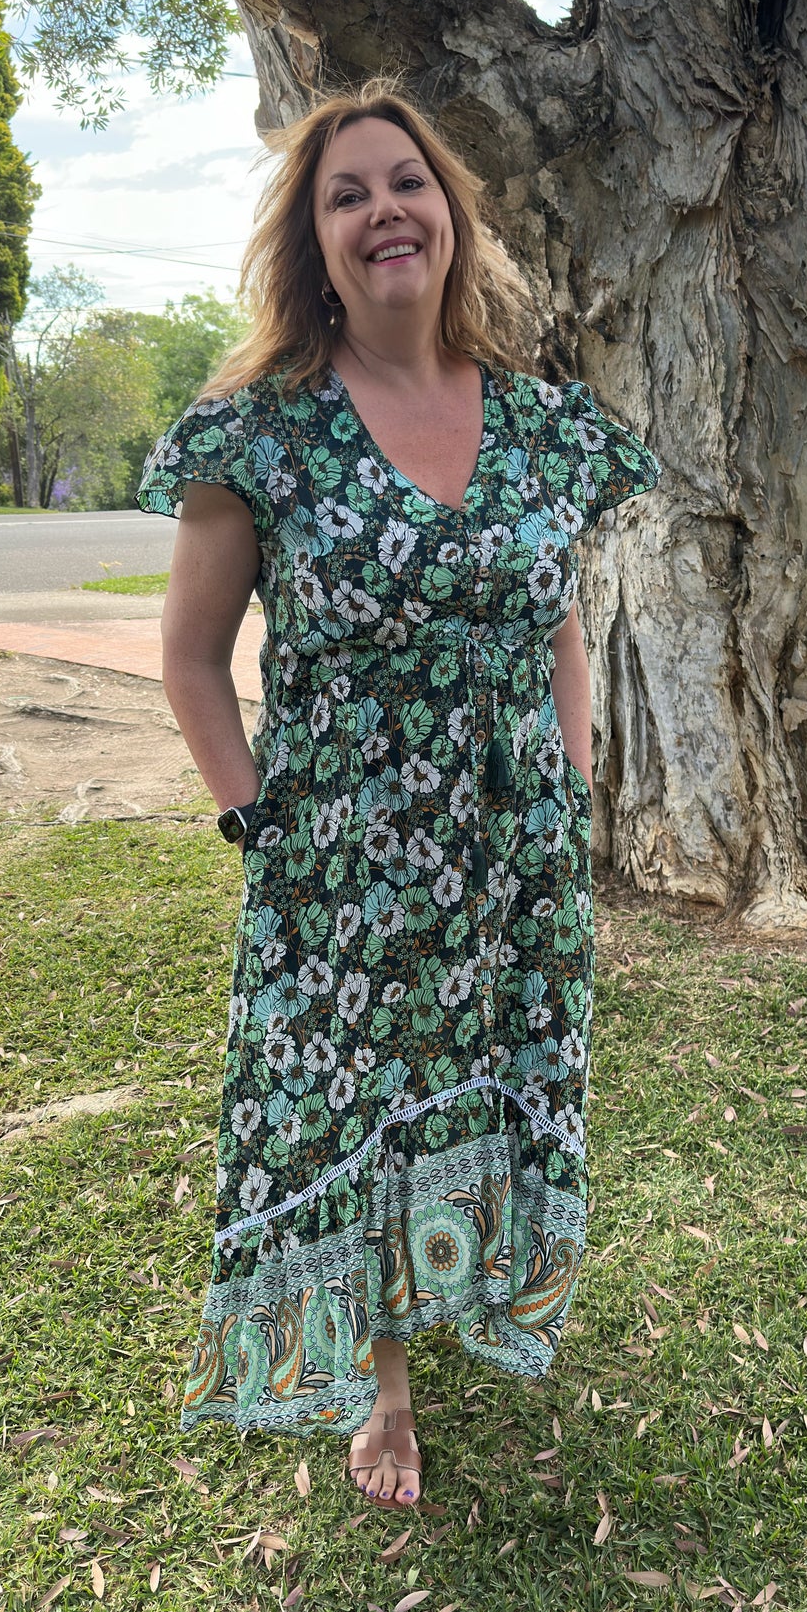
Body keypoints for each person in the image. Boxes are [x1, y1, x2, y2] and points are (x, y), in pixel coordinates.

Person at [137, 78, 660, 1510]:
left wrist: (570, 771)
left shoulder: (547, 427)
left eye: (406, 183)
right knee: (355, 1110)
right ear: (315, 240)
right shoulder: (258, 434)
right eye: (347, 193)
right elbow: (191, 661)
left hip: (508, 851)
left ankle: (472, 1293)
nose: (385, 211)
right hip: (342, 862)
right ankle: (385, 1385)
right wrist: (261, 823)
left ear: (451, 215)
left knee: (481, 1089)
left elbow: (553, 615)